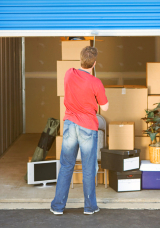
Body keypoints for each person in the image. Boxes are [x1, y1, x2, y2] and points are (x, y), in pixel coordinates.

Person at [50, 46, 109, 215]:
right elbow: (104, 107)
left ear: (80, 60)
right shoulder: (96, 82)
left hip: (69, 124)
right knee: (89, 168)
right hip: (88, 127)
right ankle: (90, 207)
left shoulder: (69, 73)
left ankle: (58, 207)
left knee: (66, 165)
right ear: (95, 63)